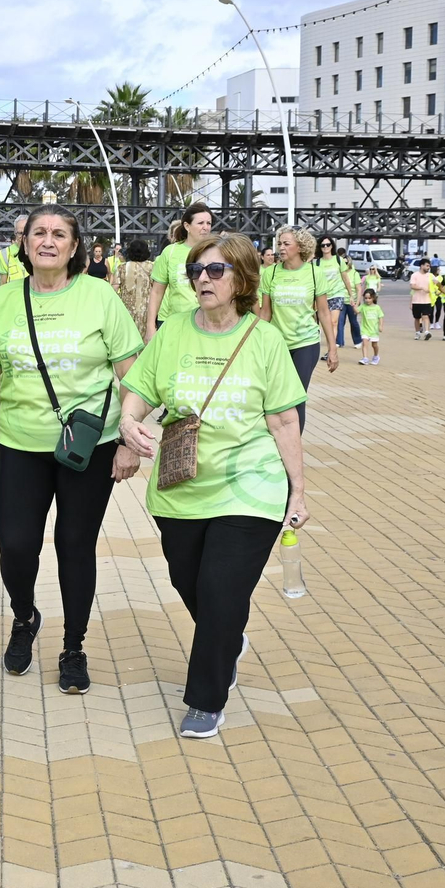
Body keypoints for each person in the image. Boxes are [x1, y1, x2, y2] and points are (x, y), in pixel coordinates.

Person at [118, 232, 308, 738]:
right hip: (183, 485)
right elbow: (137, 390)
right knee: (190, 582)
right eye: (197, 271)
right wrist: (127, 423)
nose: (203, 278)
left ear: (242, 279)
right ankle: (225, 637)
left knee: (220, 590)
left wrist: (299, 492)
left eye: (216, 270)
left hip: (251, 485)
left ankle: (206, 697)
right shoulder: (175, 331)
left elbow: (285, 422)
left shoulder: (265, 340)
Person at [0, 204, 143, 696]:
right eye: (38, 232)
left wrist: (130, 437)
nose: (47, 240)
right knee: (16, 545)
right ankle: (24, 616)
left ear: (73, 245)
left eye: (58, 234)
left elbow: (132, 373)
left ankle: (74, 646)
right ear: (24, 244)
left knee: (74, 546)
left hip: (89, 447)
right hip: (21, 444)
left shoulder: (99, 296)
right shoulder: (4, 300)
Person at [257, 226, 336, 432]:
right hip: (276, 345)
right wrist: (255, 342)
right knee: (273, 396)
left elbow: (324, 313)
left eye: (286, 244)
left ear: (300, 247)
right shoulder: (270, 273)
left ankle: (292, 447)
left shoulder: (314, 273)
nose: (280, 248)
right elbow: (265, 313)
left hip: (305, 343)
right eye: (279, 243)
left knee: (296, 396)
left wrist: (333, 348)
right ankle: (274, 441)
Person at [146, 202, 212, 341]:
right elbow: (157, 292)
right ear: (187, 226)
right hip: (176, 324)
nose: (205, 227)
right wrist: (150, 326)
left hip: (209, 324)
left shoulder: (216, 251)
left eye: (208, 223)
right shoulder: (170, 252)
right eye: (200, 223)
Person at [317, 238, 360, 349]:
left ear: (332, 246)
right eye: (323, 245)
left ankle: (331, 349)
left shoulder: (338, 260)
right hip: (322, 295)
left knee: (333, 322)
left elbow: (345, 278)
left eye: (328, 244)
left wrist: (351, 295)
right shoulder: (316, 262)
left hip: (337, 294)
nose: (325, 247)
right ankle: (325, 345)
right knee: (323, 324)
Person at [112, 238, 155, 343]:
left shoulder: (121, 268)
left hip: (126, 310)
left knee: (128, 340)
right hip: (147, 310)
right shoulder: (152, 267)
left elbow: (113, 289)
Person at [0, 216, 29, 299]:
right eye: (20, 233)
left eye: (26, 233)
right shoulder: (5, 254)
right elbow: (3, 283)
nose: (23, 236)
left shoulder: (38, 251)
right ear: (15, 233)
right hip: (13, 299)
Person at [408, 259, 434, 340]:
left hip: (427, 300)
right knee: (417, 318)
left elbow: (437, 283)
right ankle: (417, 332)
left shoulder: (430, 275)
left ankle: (427, 332)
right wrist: (422, 288)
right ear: (422, 266)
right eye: (427, 266)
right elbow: (412, 286)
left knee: (426, 316)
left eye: (429, 266)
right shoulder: (415, 275)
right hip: (416, 300)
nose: (428, 268)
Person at [357, 288, 384, 365]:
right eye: (365, 298)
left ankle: (376, 356)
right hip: (365, 329)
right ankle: (365, 358)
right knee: (365, 343)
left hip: (374, 330)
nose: (367, 300)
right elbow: (357, 311)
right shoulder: (363, 306)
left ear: (373, 298)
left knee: (374, 345)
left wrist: (380, 326)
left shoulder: (377, 308)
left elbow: (381, 317)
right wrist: (353, 305)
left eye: (369, 298)